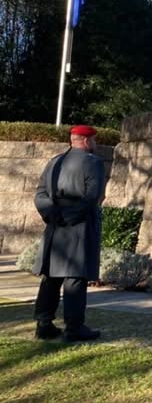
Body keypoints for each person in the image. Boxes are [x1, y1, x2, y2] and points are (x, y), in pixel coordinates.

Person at [33, 124, 106, 342]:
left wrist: (53, 214)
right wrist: (70, 216)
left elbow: (40, 194)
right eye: (93, 140)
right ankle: (74, 327)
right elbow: (92, 197)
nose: (95, 144)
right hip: (78, 225)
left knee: (52, 276)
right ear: (85, 141)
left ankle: (44, 323)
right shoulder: (93, 163)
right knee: (75, 275)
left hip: (55, 225)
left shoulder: (54, 162)